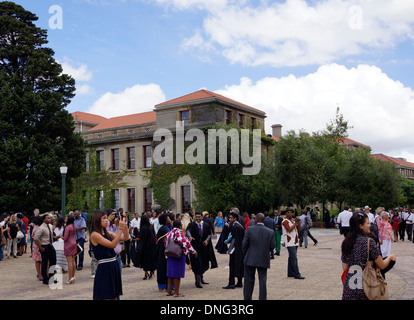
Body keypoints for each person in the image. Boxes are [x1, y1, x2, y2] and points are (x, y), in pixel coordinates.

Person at [341, 212, 396, 300]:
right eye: (367, 223)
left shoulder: (346, 242)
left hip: (350, 286)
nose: (370, 225)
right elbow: (381, 265)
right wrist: (390, 257)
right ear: (360, 226)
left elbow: (345, 267)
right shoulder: (368, 242)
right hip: (366, 286)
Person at [90, 210, 129, 300]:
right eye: (103, 218)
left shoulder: (107, 233)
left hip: (113, 264)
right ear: (97, 220)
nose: (106, 220)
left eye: (106, 218)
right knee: (106, 295)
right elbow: (112, 245)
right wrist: (120, 229)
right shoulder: (95, 235)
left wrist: (124, 224)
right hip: (104, 267)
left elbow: (126, 238)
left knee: (113, 296)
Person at [242, 213, 275, 300]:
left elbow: (244, 244)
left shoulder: (250, 229)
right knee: (262, 280)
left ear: (256, 220)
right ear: (263, 220)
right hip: (263, 258)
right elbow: (272, 246)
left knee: (248, 281)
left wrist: (246, 254)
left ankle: (247, 298)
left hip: (250, 258)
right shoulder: (270, 232)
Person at [165, 220, 197, 298]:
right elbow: (185, 243)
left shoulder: (169, 233)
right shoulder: (179, 232)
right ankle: (176, 292)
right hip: (178, 255)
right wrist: (194, 251)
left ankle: (169, 291)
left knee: (170, 274)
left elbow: (165, 243)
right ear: (180, 226)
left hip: (169, 255)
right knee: (177, 274)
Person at [187, 211, 217, 288]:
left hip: (204, 248)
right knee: (196, 264)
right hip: (195, 247)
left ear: (202, 217)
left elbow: (209, 235)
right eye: (196, 217)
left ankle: (201, 278)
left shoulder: (206, 225)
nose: (198, 218)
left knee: (204, 264)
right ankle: (197, 281)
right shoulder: (192, 225)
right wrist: (190, 236)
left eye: (199, 217)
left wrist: (207, 240)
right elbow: (188, 231)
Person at [222, 210, 245, 289]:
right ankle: (239, 282)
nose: (229, 219)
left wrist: (229, 249)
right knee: (239, 265)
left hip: (235, 250)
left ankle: (231, 283)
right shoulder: (239, 226)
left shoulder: (235, 227)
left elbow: (234, 239)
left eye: (231, 218)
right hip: (240, 249)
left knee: (232, 266)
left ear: (235, 218)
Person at [34, 214, 57, 285]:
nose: (49, 219)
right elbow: (36, 238)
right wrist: (40, 247)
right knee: (45, 262)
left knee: (53, 261)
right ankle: (45, 278)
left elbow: (50, 235)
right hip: (44, 246)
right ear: (44, 219)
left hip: (50, 245)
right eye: (47, 218)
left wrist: (56, 237)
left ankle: (51, 277)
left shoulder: (49, 226)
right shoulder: (41, 228)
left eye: (50, 218)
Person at [282, 208, 304, 279]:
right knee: (294, 258)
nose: (290, 214)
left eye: (291, 212)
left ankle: (290, 273)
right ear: (286, 213)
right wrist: (295, 223)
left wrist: (298, 222)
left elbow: (299, 229)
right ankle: (296, 274)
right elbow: (289, 229)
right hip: (289, 242)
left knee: (291, 258)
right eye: (288, 212)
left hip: (295, 241)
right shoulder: (285, 221)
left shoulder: (292, 220)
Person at [134, 214, 157, 280]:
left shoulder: (143, 228)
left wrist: (135, 239)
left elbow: (140, 237)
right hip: (152, 245)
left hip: (145, 247)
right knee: (151, 260)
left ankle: (146, 273)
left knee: (145, 260)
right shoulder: (151, 226)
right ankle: (152, 272)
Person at [156, 213, 171, 292]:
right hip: (162, 252)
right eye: (168, 218)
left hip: (168, 252)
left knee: (168, 268)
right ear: (165, 220)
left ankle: (169, 285)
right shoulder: (162, 230)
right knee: (162, 268)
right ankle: (161, 286)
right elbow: (162, 241)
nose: (169, 219)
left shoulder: (168, 228)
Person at [63, 215, 77, 284]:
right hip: (74, 242)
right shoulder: (74, 226)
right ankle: (73, 276)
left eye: (66, 218)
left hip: (68, 243)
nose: (65, 219)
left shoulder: (67, 227)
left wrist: (60, 236)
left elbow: (65, 238)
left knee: (69, 261)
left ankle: (70, 277)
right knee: (73, 260)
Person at [31, 216, 43, 281]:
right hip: (37, 245)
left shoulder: (36, 227)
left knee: (40, 260)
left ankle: (40, 273)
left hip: (38, 245)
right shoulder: (37, 228)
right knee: (38, 260)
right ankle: (39, 274)